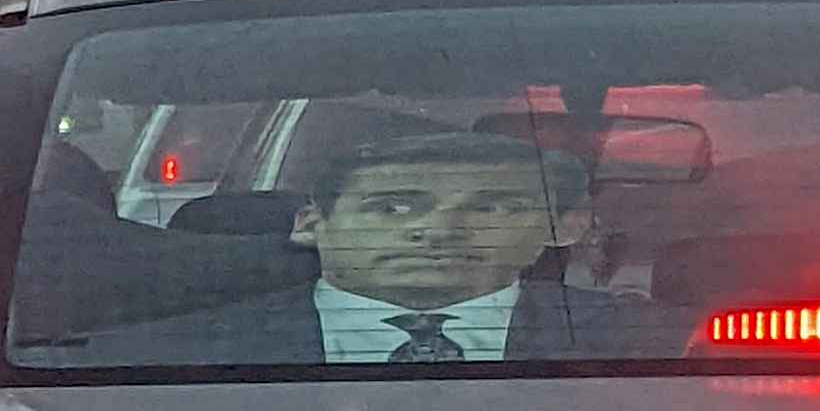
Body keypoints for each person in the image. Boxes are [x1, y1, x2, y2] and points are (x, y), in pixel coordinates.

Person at [40, 133, 636, 367]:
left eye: (491, 208)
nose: (437, 231)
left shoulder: (657, 348)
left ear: (564, 227)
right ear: (309, 224)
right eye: (394, 208)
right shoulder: (154, 363)